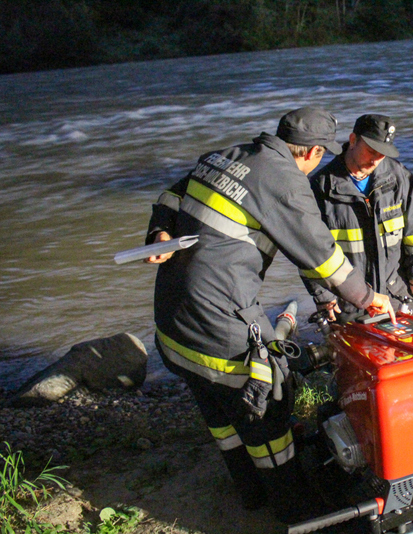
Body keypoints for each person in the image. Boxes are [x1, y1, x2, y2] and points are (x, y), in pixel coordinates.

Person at [143, 107, 395, 521]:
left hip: (172, 325)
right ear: (313, 152)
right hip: (217, 327)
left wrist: (159, 231)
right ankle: (294, 510)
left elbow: (170, 195)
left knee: (220, 414)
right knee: (269, 409)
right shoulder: (285, 182)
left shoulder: (224, 156)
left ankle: (250, 495)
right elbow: (323, 259)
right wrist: (370, 298)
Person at [303, 114, 413, 322]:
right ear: (353, 140)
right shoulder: (321, 188)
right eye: (371, 151)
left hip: (401, 291)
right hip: (352, 302)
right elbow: (308, 249)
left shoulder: (399, 177)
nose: (375, 159)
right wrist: (324, 296)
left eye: (382, 154)